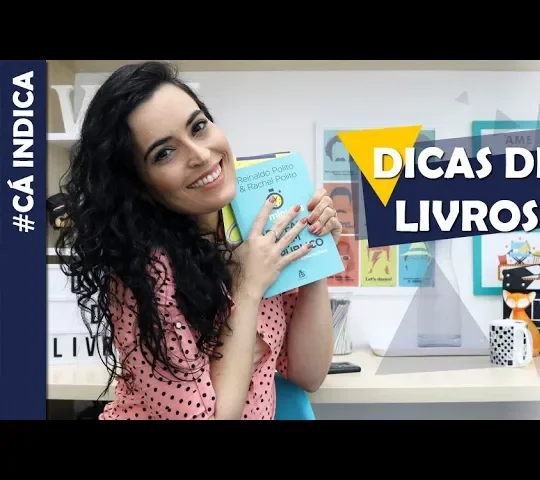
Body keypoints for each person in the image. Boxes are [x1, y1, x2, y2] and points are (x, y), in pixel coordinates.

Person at [56, 61, 342, 420]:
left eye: (199, 127)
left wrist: (314, 252)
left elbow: (308, 374)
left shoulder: (253, 223)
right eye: (164, 152)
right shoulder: (145, 270)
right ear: (140, 186)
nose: (202, 155)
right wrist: (248, 288)